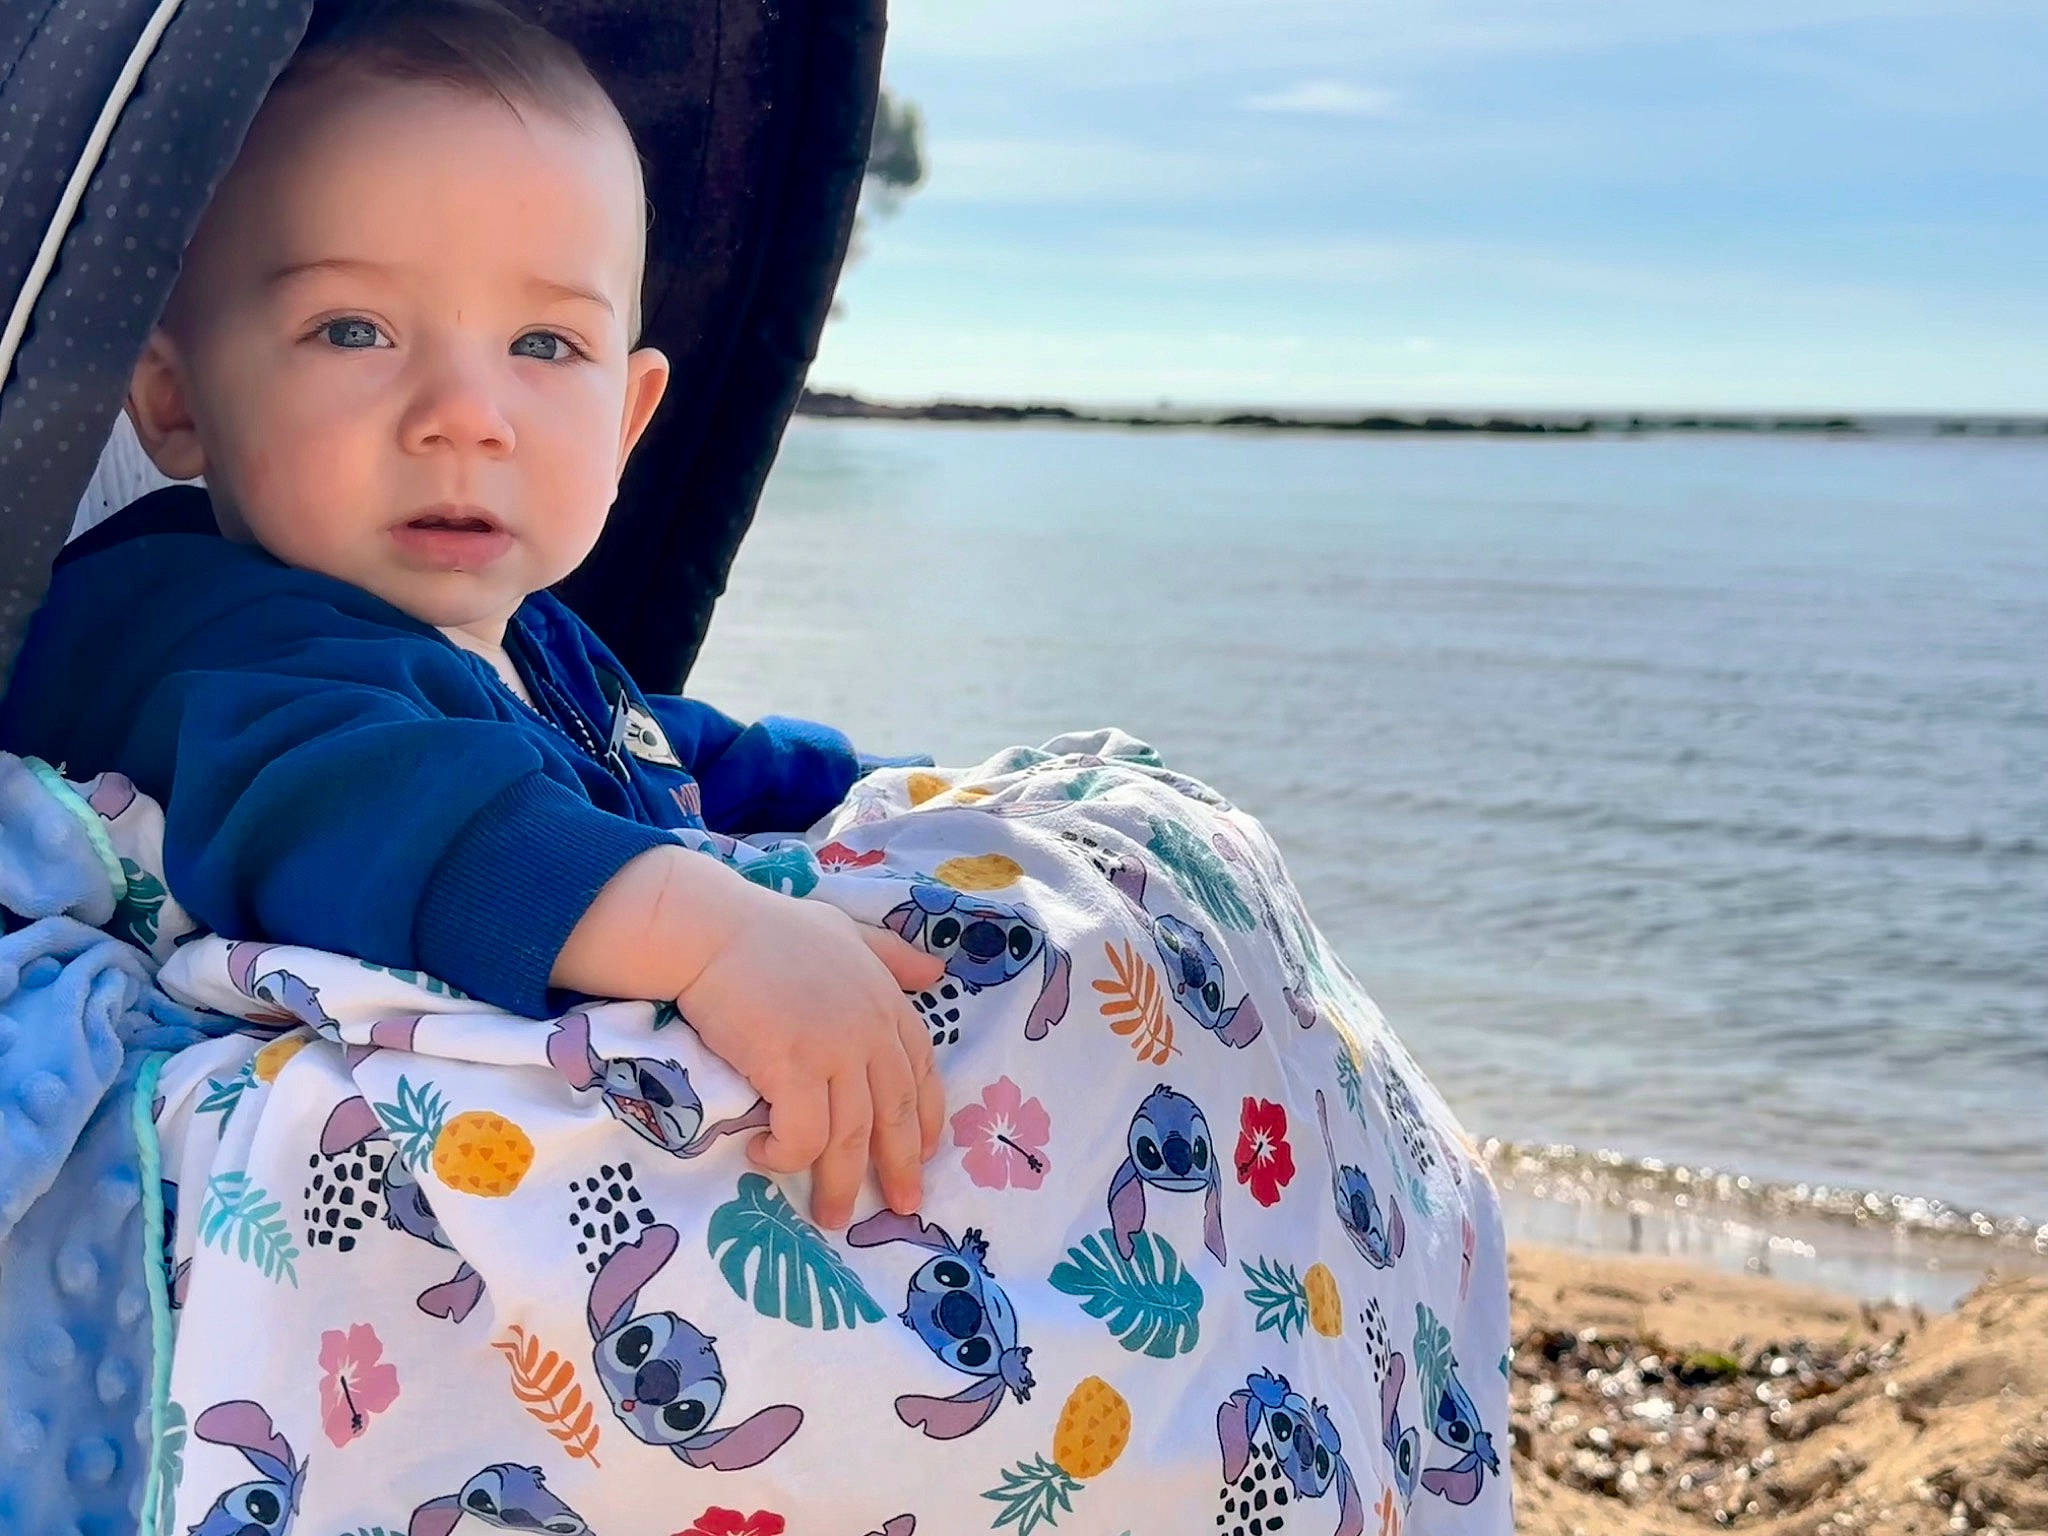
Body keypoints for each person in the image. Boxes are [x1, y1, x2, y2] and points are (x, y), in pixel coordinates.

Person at [0, 0, 945, 1233]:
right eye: (354, 330)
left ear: (627, 420)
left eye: (543, 344)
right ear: (176, 399)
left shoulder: (538, 641)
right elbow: (395, 808)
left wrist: (896, 794)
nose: (466, 414)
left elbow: (661, 751)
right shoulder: (198, 632)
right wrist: (717, 936)